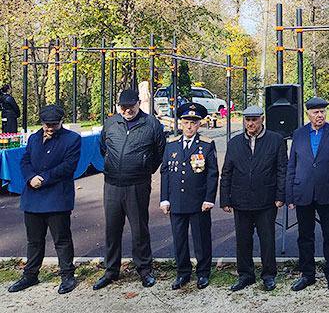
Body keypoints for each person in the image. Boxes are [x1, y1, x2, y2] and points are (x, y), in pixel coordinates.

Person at [93, 89, 166, 290]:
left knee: (139, 229)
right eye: (123, 107)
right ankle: (111, 271)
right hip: (112, 184)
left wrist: (144, 169)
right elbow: (103, 147)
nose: (127, 111)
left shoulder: (152, 124)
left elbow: (159, 153)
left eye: (131, 107)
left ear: (139, 103)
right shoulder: (110, 123)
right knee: (112, 229)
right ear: (118, 107)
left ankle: (144, 269)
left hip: (138, 184)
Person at [8, 104, 81, 294]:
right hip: (33, 197)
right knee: (34, 240)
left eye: (53, 125)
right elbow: (24, 160)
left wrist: (44, 178)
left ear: (61, 122)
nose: (49, 128)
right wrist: (30, 177)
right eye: (46, 124)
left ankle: (67, 275)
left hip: (57, 197)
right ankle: (30, 275)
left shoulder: (72, 139)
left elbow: (68, 166)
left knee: (62, 240)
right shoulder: (33, 138)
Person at [220, 104, 287, 292]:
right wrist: (225, 199)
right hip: (241, 201)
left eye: (254, 120)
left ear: (262, 120)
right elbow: (226, 172)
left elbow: (283, 170)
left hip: (266, 200)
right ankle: (245, 275)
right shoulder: (234, 143)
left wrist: (280, 195)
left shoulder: (276, 140)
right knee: (242, 240)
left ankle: (268, 275)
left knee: (267, 239)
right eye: (247, 120)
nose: (251, 124)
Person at [286, 96, 329, 293]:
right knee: (305, 236)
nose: (319, 115)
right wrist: (290, 195)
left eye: (322, 111)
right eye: (315, 112)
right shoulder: (298, 134)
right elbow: (291, 165)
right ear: (308, 114)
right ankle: (307, 274)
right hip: (303, 192)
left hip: (328, 193)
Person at [160, 102, 219, 290]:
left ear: (199, 124)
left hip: (198, 201)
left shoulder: (206, 145)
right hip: (176, 200)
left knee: (201, 239)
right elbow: (165, 172)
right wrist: (164, 198)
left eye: (193, 122)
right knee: (179, 240)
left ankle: (203, 273)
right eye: (186, 122)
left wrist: (209, 198)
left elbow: (212, 173)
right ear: (180, 123)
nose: (189, 126)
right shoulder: (171, 145)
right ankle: (182, 273)